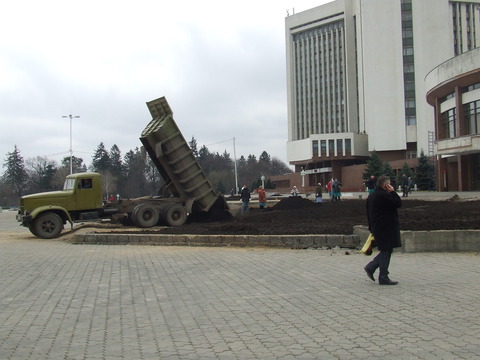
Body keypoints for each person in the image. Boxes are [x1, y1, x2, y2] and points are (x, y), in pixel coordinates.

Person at [364, 175, 402, 285]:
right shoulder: (385, 195)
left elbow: (368, 213)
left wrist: (371, 227)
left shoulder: (372, 195)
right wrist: (393, 192)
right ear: (386, 185)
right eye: (389, 184)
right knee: (386, 250)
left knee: (386, 250)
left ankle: (372, 267)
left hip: (377, 227)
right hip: (386, 227)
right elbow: (398, 203)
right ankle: (382, 276)